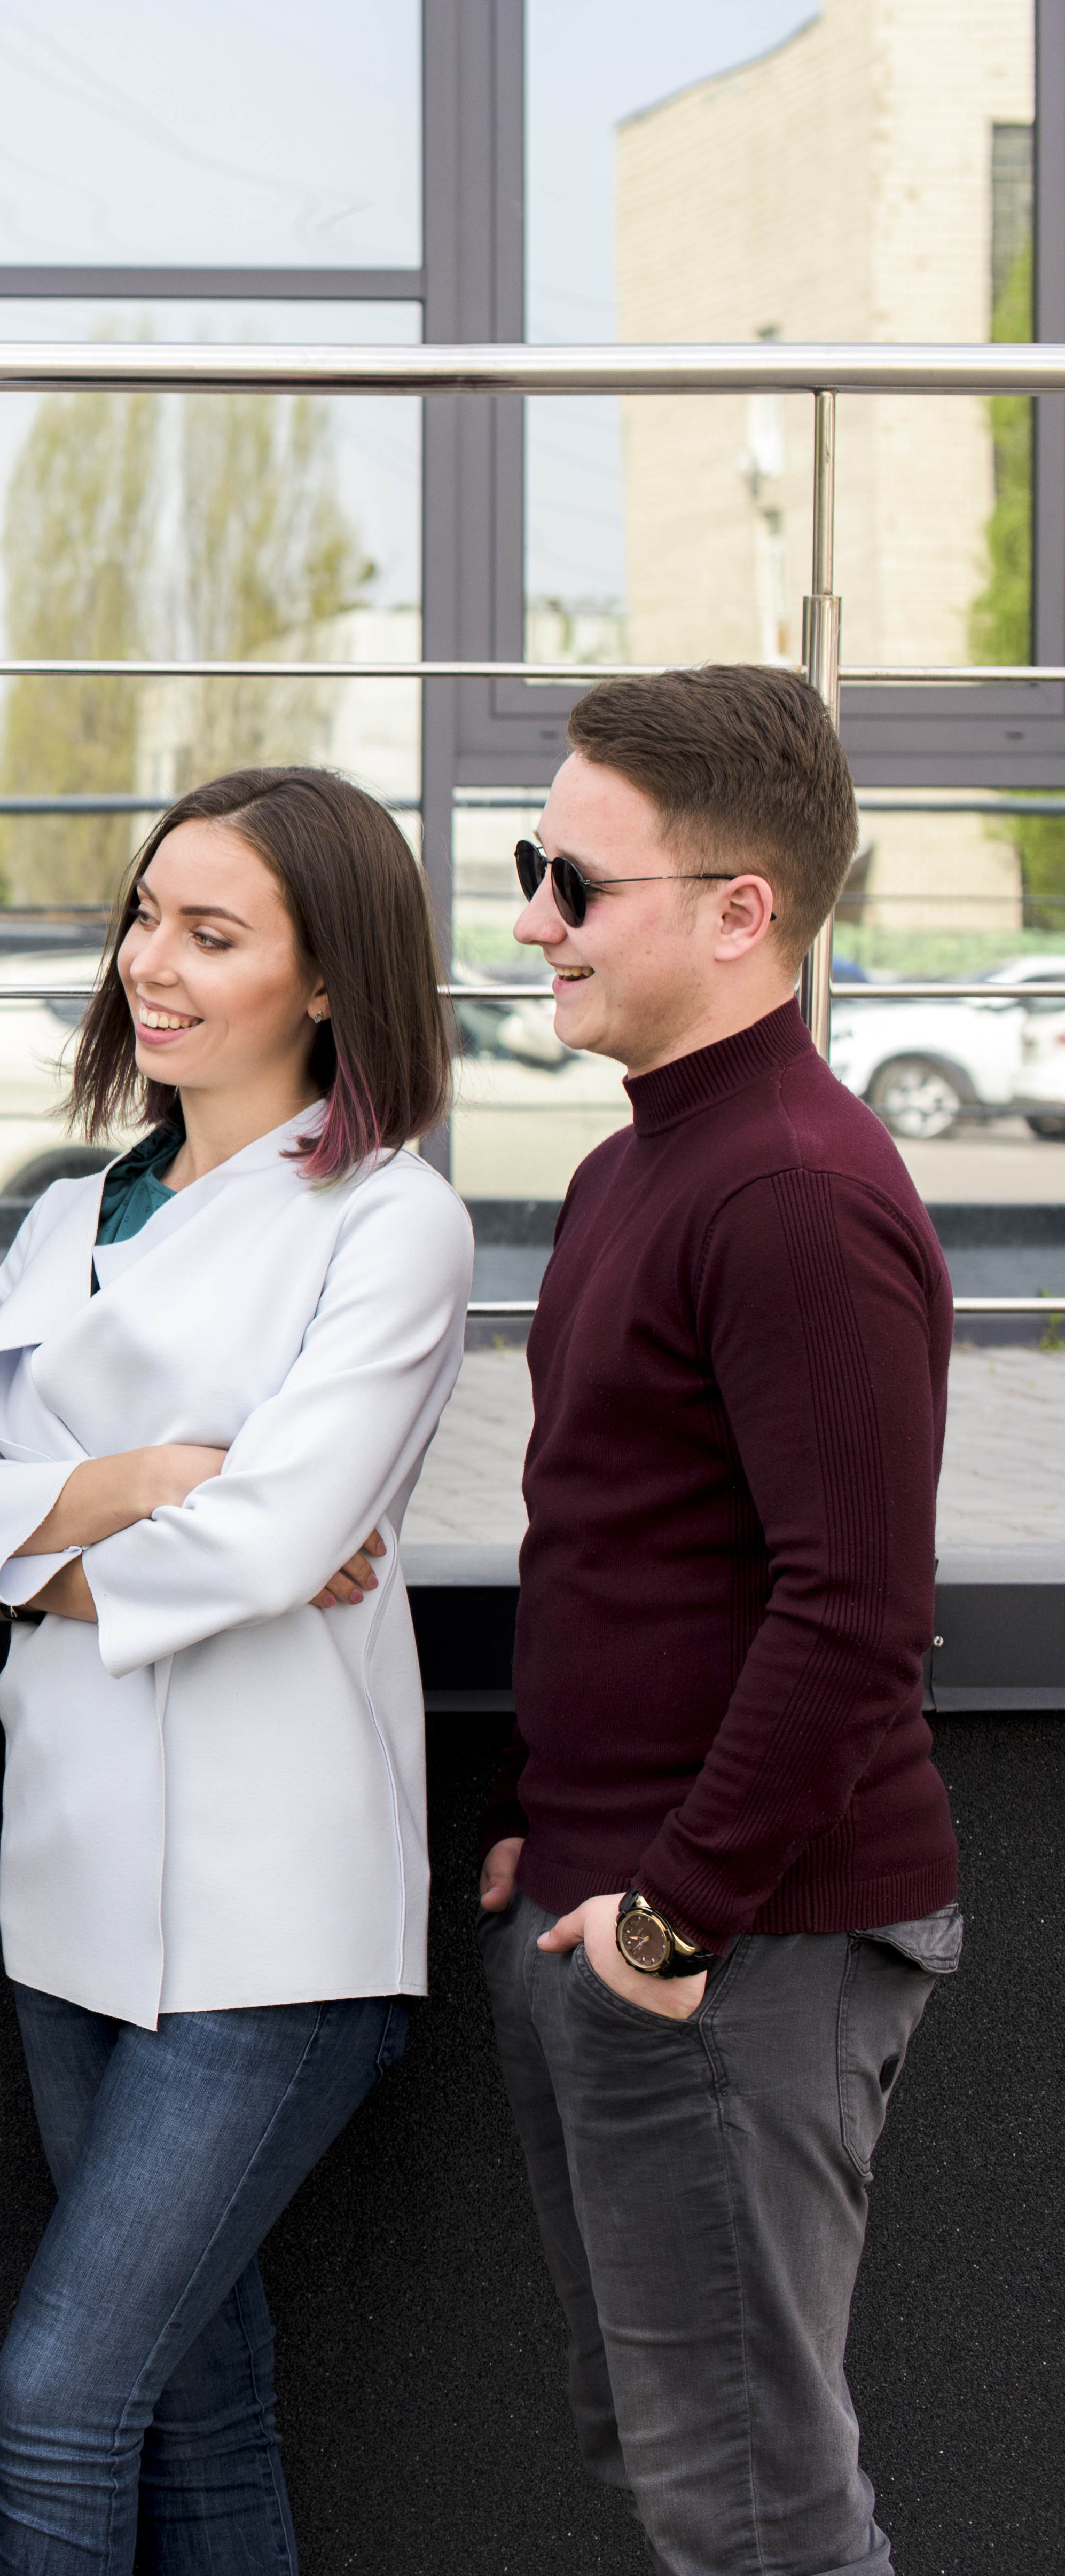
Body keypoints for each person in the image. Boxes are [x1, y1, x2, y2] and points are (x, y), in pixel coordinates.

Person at [0, 767, 473, 2573]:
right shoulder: (74, 1214)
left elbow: (278, 1537)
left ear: (326, 980)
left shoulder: (389, 1221)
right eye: (147, 916)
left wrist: (34, 1547)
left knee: (60, 2399)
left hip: (272, 1925)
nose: (153, 962)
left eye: (212, 934)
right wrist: (144, 1485)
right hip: (69, 1888)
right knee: (199, 2397)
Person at [479, 666, 959, 2576]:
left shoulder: (788, 1187)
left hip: (738, 1944)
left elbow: (856, 1614)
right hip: (640, 1917)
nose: (530, 918)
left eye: (573, 882)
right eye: (536, 870)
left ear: (740, 908)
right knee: (687, 2473)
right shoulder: (640, 1158)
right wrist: (565, 1831)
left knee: (753, 2510)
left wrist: (669, 1914)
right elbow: (622, 1544)